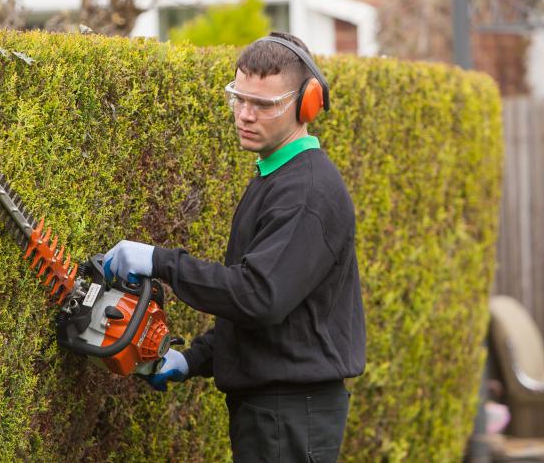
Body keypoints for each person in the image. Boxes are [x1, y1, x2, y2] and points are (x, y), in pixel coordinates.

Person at [103, 32, 366, 463]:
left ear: (307, 103)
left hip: (291, 414)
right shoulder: (276, 176)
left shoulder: (306, 192)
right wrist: (195, 359)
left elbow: (259, 296)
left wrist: (159, 261)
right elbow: (272, 314)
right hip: (275, 409)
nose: (245, 115)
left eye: (263, 105)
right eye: (239, 99)